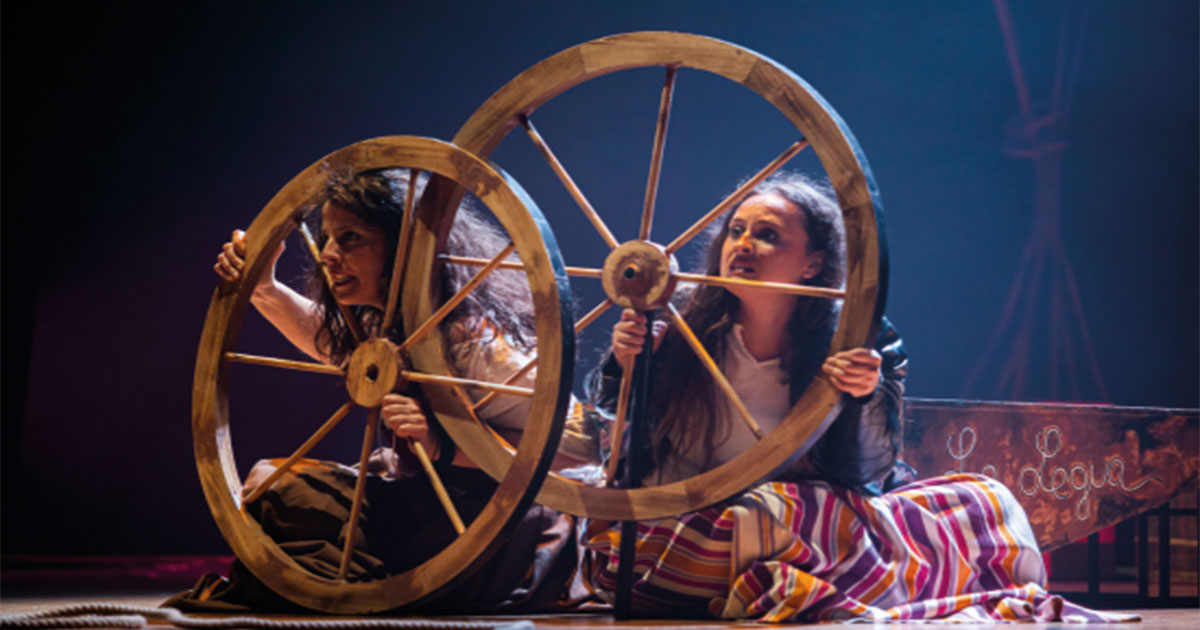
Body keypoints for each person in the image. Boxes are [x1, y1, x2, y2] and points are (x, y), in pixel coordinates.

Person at [582, 172, 1133, 623]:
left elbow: (870, 470)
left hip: (812, 520)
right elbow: (614, 432)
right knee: (772, 515)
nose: (742, 245)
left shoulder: (859, 338)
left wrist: (864, 395)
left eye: (767, 235)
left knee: (984, 501)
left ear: (813, 265)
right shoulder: (677, 332)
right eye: (735, 231)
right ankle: (844, 574)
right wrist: (627, 364)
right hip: (695, 529)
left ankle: (822, 571)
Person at [190, 168, 595, 612]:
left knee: (285, 503)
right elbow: (337, 348)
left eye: (350, 239)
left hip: (502, 529)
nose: (327, 255)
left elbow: (579, 449)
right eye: (326, 238)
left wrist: (442, 447)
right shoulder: (393, 325)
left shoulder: (467, 341)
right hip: (441, 505)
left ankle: (380, 586)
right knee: (272, 487)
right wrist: (262, 288)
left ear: (404, 247)